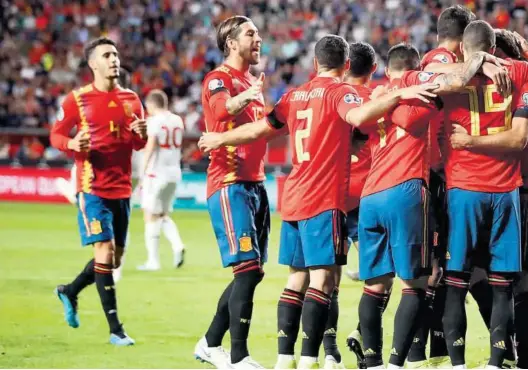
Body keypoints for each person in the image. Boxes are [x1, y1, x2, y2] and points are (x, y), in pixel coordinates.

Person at [198, 34, 438, 370]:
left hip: (293, 195)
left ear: (314, 63)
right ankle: (313, 357)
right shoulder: (341, 92)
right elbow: (358, 117)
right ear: (347, 65)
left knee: (296, 278)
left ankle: (285, 359)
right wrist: (399, 92)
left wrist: (221, 136)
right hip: (324, 197)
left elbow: (261, 129)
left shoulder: (294, 94)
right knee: (324, 280)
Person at [356, 42, 503, 369]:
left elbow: (357, 126)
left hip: (370, 195)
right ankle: (396, 364)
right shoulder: (416, 89)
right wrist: (475, 63)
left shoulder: (374, 95)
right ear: (414, 68)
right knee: (416, 284)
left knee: (376, 285)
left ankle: (373, 361)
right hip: (404, 190)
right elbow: (415, 115)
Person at [440, 21, 528, 368]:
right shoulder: (522, 79)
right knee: (518, 283)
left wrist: (522, 52)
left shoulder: (525, 82)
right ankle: (526, 357)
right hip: (516, 188)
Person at [50, 37, 147, 346]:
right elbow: (56, 135)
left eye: (116, 54)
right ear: (93, 63)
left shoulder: (132, 98)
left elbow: (138, 143)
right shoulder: (77, 100)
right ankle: (116, 329)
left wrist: (141, 137)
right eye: (107, 55)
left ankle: (69, 291)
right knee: (103, 253)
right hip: (92, 188)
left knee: (114, 260)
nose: (114, 59)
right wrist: (71, 144)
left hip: (122, 188)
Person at [192, 16, 269, 370]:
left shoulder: (251, 82)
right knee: (248, 269)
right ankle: (238, 356)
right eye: (250, 34)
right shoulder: (219, 79)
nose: (258, 39)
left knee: (251, 271)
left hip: (256, 184)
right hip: (229, 183)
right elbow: (222, 110)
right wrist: (248, 95)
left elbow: (262, 129)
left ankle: (209, 343)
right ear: (231, 42)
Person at [408, 5, 477, 368]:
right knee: (436, 269)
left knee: (444, 269)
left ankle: (433, 352)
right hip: (436, 176)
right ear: (463, 38)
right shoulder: (440, 58)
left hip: (440, 175)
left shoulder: (446, 60)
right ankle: (420, 352)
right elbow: (430, 71)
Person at [341, 41, 378, 370]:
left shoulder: (331, 95)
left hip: (334, 192)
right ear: (374, 69)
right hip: (370, 192)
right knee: (382, 276)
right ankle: (363, 333)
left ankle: (325, 353)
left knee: (324, 278)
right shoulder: (377, 97)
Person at [137, 89, 186, 271]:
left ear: (150, 105)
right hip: (174, 172)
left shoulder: (154, 121)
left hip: (156, 174)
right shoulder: (177, 120)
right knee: (162, 214)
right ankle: (177, 245)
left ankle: (153, 261)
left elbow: (150, 146)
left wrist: (141, 171)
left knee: (150, 215)